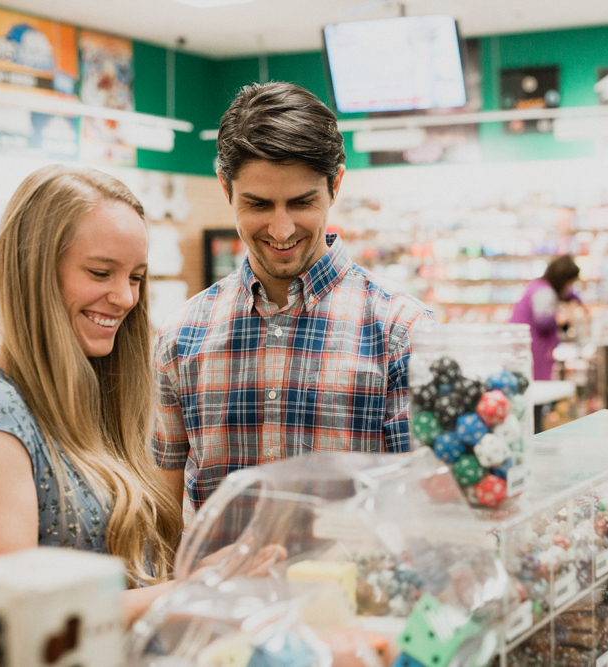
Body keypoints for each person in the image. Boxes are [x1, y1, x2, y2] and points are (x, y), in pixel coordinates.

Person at [152, 82, 434, 534]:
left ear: (335, 185)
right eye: (257, 204)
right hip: (218, 604)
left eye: (301, 202)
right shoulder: (181, 337)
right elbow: (162, 513)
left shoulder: (403, 333)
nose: (281, 230)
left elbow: (426, 514)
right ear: (226, 187)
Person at [0, 165, 183, 625]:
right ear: (33, 269)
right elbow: (8, 625)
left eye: (136, 277)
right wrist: (186, 595)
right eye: (101, 272)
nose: (125, 297)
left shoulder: (96, 394)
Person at [509, 255, 582, 382]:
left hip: (524, 344)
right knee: (535, 382)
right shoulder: (545, 292)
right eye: (570, 283)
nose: (570, 287)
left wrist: (576, 301)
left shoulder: (540, 285)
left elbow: (568, 295)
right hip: (532, 347)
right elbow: (543, 321)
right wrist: (562, 319)